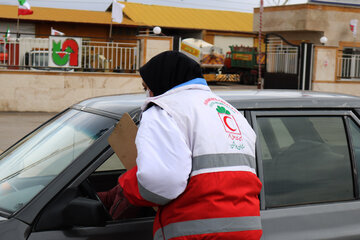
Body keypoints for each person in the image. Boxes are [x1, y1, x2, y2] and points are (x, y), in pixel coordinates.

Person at [118, 50, 262, 240]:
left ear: (163, 81)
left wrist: (125, 185)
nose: (148, 93)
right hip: (246, 230)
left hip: (195, 233)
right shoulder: (231, 112)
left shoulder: (164, 111)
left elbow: (159, 184)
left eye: (147, 87)